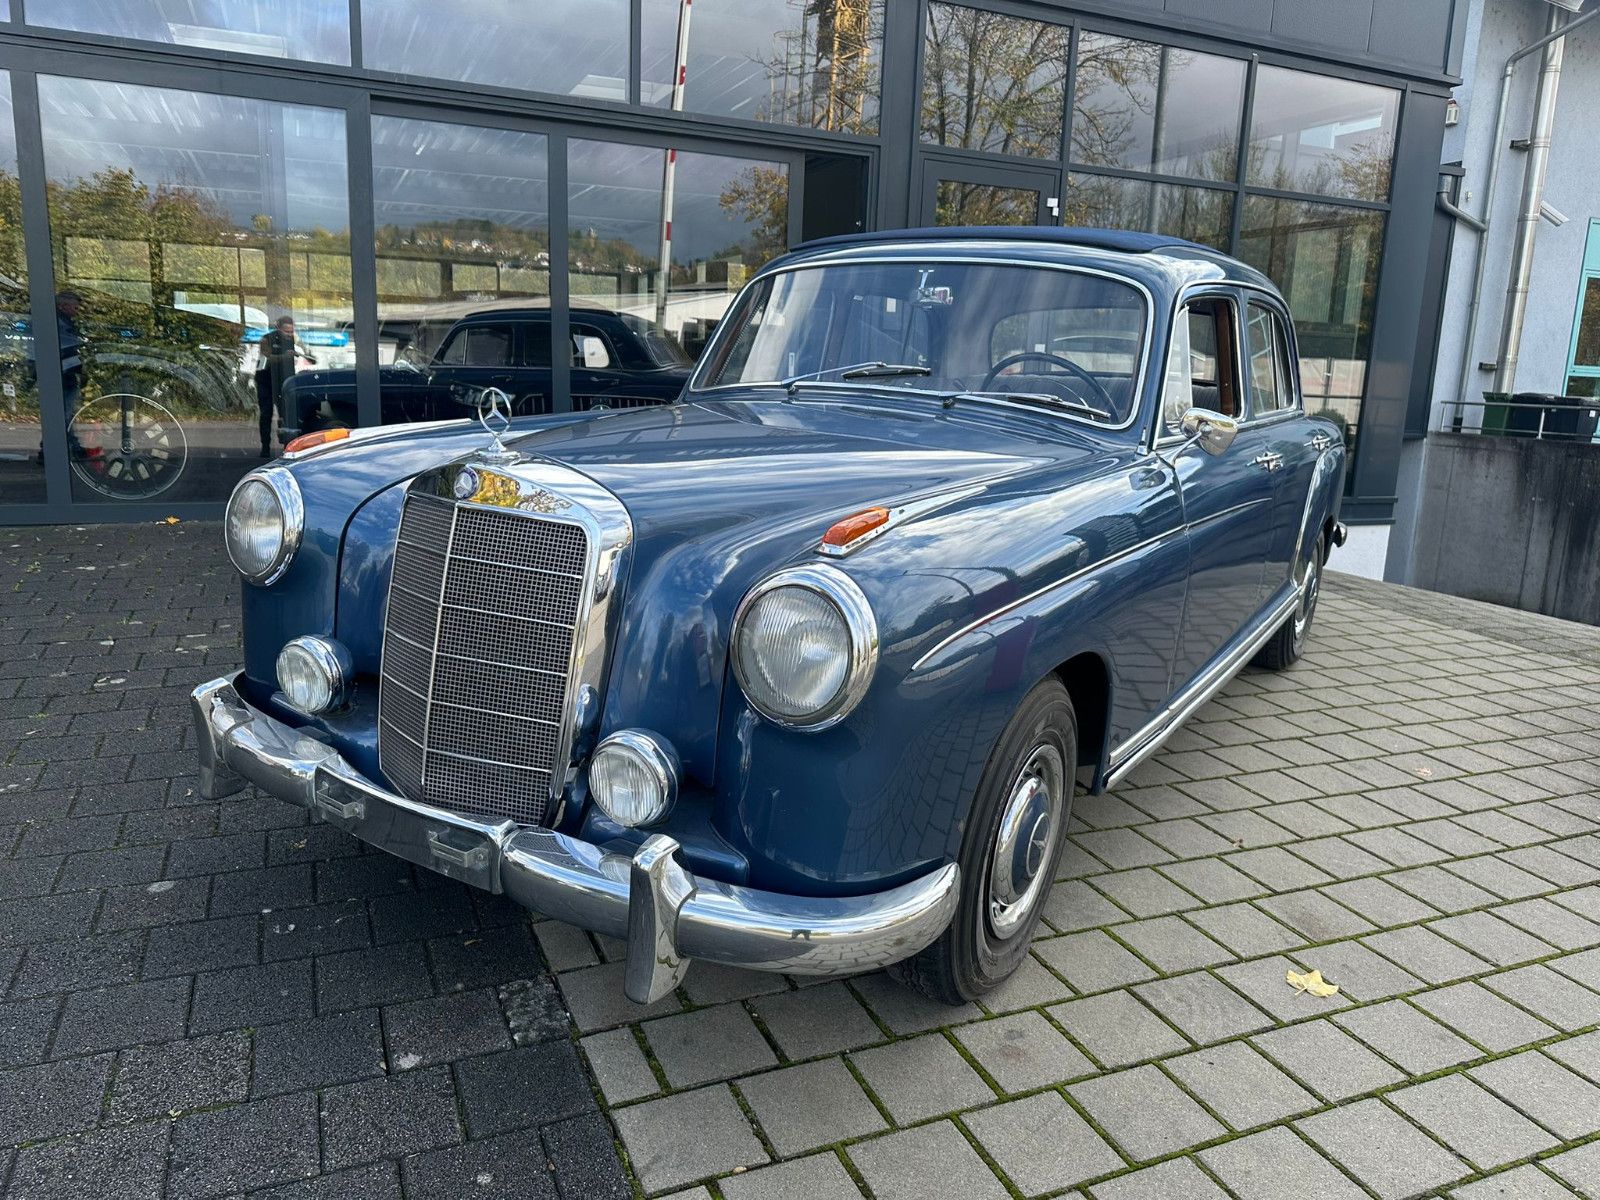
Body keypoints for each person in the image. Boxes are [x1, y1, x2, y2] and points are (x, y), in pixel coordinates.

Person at [255, 315, 314, 456]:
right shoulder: (266, 339)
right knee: (266, 413)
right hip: (266, 380)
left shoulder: (295, 339)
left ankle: (288, 446)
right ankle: (265, 447)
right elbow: (265, 359)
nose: (289, 334)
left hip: (285, 380)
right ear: (278, 328)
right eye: (286, 331)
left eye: (291, 331)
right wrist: (285, 357)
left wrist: (305, 354)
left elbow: (310, 357)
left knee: (286, 414)